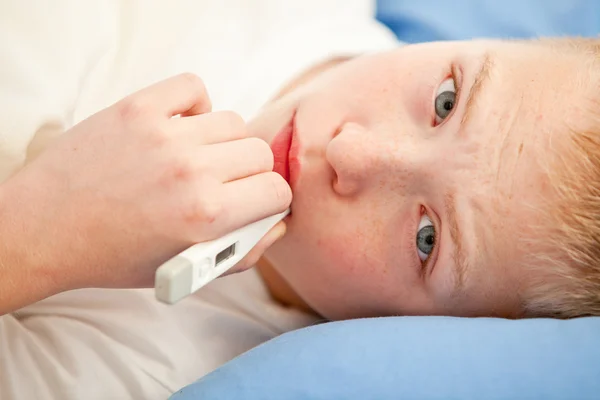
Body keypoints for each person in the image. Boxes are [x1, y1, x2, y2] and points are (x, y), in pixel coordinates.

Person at [0, 1, 398, 399]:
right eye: (446, 103)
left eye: (426, 238)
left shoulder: (152, 368)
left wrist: (45, 231)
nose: (349, 152)